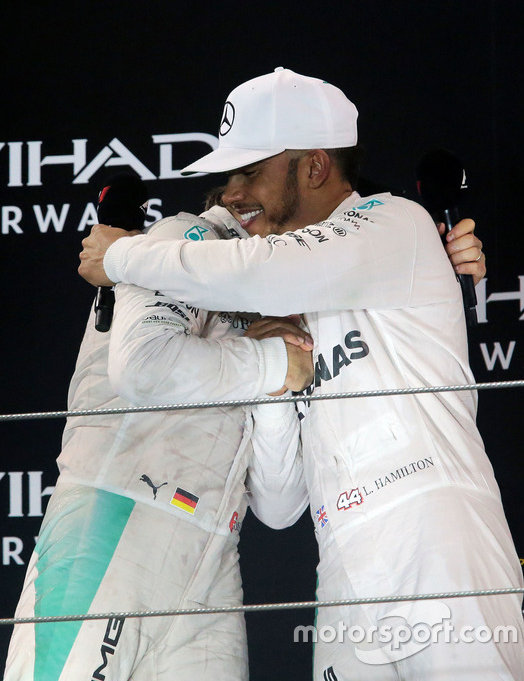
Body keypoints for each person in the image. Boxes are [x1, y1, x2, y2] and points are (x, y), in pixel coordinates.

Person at [78, 67, 524, 681]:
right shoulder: (284, 298)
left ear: (313, 167)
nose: (232, 194)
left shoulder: (396, 221)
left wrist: (124, 255)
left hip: (435, 537)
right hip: (341, 568)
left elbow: (259, 267)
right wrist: (273, 375)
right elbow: (282, 503)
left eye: (251, 172)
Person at [3, 204, 310, 681]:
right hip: (116, 517)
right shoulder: (181, 239)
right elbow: (146, 367)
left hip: (213, 560)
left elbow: (280, 506)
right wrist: (265, 357)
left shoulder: (278, 309)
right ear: (252, 209)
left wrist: (274, 376)